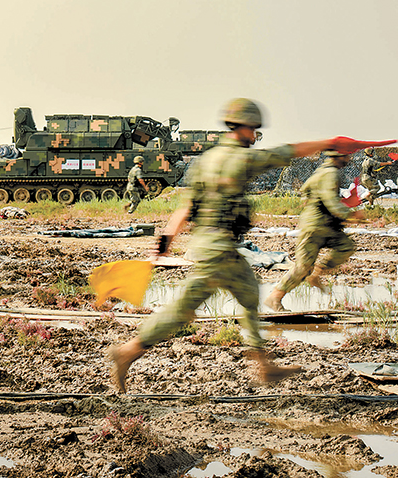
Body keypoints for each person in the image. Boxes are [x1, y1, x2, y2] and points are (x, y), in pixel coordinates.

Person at [108, 98, 354, 394]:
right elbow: (286, 152)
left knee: (249, 294)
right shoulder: (242, 159)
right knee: (183, 310)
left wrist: (164, 244)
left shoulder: (206, 161)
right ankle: (128, 351)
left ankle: (263, 366)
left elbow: (185, 208)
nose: (255, 137)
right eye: (254, 131)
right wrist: (330, 141)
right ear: (245, 127)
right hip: (220, 249)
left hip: (212, 245)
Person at [264, 151, 361, 310]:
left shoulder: (320, 172)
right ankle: (275, 297)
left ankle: (316, 273)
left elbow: (305, 190)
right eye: (346, 156)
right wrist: (351, 215)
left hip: (325, 226)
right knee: (303, 267)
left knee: (346, 246)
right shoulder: (330, 173)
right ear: (338, 157)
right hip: (315, 228)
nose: (349, 159)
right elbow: (331, 202)